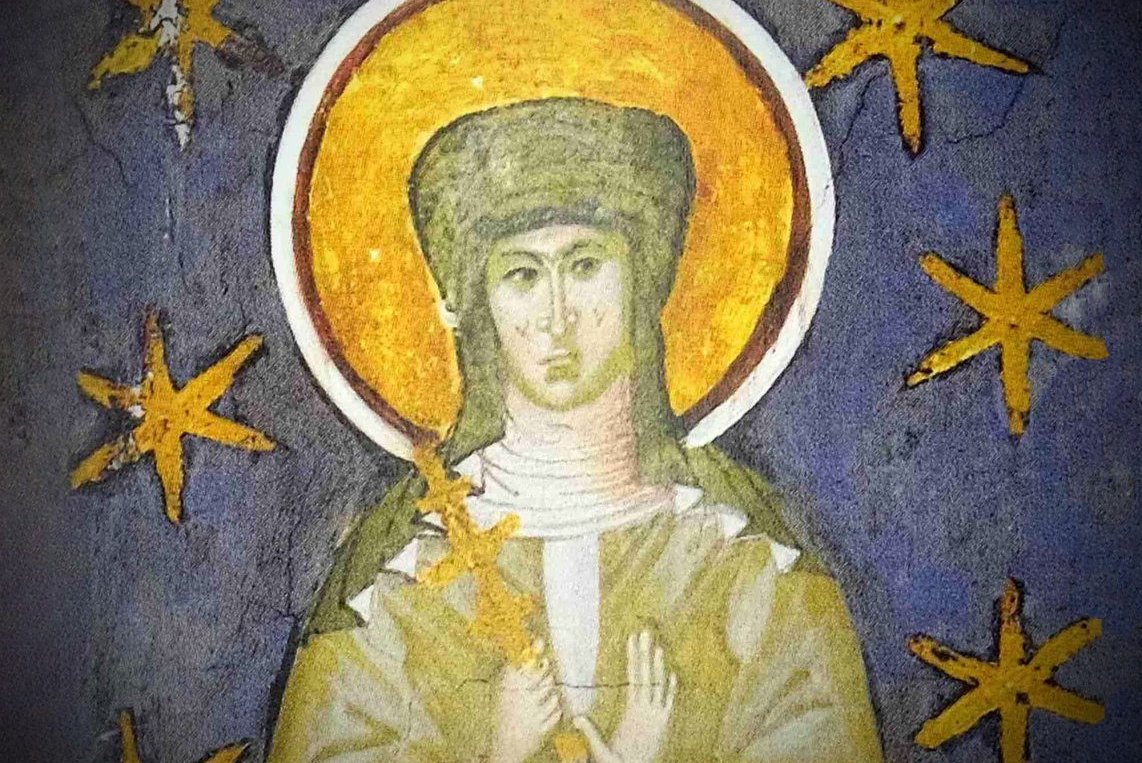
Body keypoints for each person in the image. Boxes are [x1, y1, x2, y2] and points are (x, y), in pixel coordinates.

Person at [269, 98, 884, 763]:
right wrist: (500, 752)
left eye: (586, 265)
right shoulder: (395, 587)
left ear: (640, 281)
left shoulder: (750, 566)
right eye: (522, 275)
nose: (556, 316)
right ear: (473, 302)